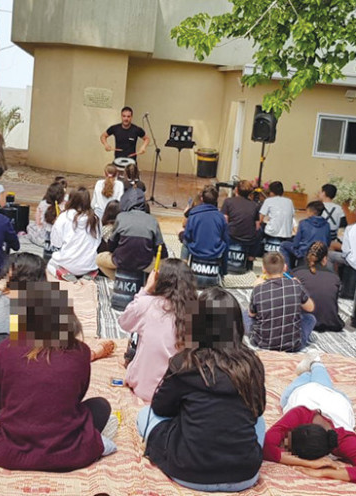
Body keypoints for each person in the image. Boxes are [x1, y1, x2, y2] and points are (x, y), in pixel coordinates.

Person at [0, 280, 118, 470]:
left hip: (12, 443)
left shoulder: (7, 347)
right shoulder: (81, 351)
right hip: (66, 450)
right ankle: (93, 443)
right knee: (100, 406)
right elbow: (78, 395)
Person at [138, 288, 266, 492]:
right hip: (245, 474)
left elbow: (160, 408)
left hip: (189, 472)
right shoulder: (252, 363)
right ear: (236, 324)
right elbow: (258, 410)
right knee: (259, 421)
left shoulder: (185, 362)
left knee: (145, 414)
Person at [263, 352, 356, 486]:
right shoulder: (299, 413)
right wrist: (308, 463)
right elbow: (264, 447)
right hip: (317, 394)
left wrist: (324, 472)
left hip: (327, 395)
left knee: (312, 383)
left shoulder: (344, 438)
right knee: (311, 379)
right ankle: (313, 365)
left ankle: (313, 365)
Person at [120, 259, 197, 401]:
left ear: (159, 280)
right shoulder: (196, 312)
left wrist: (146, 290)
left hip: (144, 388)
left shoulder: (147, 304)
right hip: (179, 393)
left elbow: (124, 322)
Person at [246, 252, 316, 352]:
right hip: (293, 345)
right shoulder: (295, 285)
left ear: (263, 270)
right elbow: (310, 308)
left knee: (245, 315)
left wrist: (256, 287)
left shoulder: (258, 289)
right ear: (285, 268)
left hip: (263, 344)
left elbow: (251, 314)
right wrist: (299, 286)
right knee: (310, 318)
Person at [97, 188, 165, 280]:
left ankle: (120, 279)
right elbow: (162, 251)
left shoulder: (121, 217)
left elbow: (111, 246)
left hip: (120, 261)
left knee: (99, 259)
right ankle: (145, 282)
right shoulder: (152, 220)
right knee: (166, 265)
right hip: (145, 264)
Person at [49, 187, 101, 282]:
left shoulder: (64, 217)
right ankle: (89, 274)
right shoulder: (95, 219)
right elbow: (98, 241)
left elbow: (56, 243)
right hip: (89, 265)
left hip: (68, 264)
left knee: (50, 264)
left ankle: (63, 273)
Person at [293, 242, 345, 333]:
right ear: (325, 259)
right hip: (330, 322)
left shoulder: (297, 273)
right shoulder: (334, 277)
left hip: (303, 320)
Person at [181, 185, 229, 273]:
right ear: (216, 200)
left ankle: (183, 270)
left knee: (185, 241)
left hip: (196, 253)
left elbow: (187, 236)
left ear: (202, 199)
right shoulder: (221, 217)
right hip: (215, 255)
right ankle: (222, 272)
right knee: (226, 242)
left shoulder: (193, 215)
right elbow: (225, 239)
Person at [279, 201, 330, 270]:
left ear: (311, 212)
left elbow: (296, 244)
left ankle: (288, 271)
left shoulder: (304, 223)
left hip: (304, 253)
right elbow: (328, 242)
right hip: (320, 253)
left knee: (284, 245)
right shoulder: (327, 224)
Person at [221, 180, 261, 261]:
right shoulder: (255, 205)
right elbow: (257, 226)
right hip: (248, 239)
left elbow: (224, 221)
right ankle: (251, 256)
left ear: (236, 190)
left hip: (231, 236)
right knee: (260, 231)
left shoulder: (228, 201)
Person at [25, 181, 66, 247]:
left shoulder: (43, 204)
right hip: (58, 235)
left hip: (43, 234)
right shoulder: (64, 206)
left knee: (30, 227)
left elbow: (38, 222)